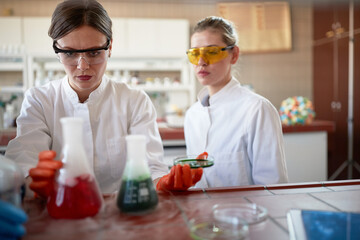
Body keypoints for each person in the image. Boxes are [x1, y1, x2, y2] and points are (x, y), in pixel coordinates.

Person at [5, 0, 170, 197]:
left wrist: (166, 183)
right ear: (57, 50)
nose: (82, 66)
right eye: (69, 53)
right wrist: (30, 181)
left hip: (120, 215)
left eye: (93, 53)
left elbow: (152, 169)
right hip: (59, 214)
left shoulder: (134, 101)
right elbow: (24, 162)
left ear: (109, 47)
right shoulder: (40, 100)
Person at [183, 16, 289, 188]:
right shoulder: (192, 115)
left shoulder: (257, 110)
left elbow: (272, 188)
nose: (201, 62)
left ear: (234, 55)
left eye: (211, 52)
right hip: (200, 213)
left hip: (245, 214)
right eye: (195, 54)